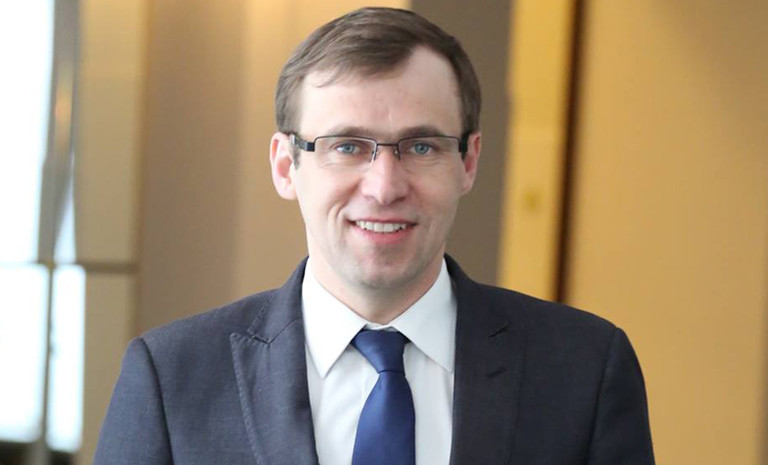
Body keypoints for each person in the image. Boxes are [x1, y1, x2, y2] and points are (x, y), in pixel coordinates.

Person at [94, 7, 654, 465]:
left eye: (421, 147)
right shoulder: (171, 378)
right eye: (347, 146)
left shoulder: (584, 371)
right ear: (286, 166)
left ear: (468, 162)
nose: (385, 187)